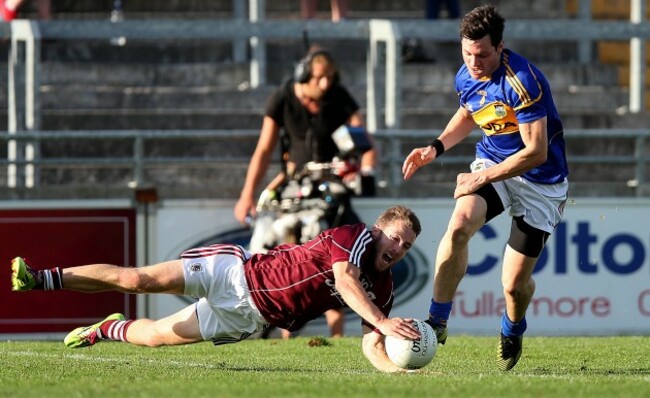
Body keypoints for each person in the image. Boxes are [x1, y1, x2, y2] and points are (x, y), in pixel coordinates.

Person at [11, 205, 422, 373]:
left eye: (407, 246)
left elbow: (372, 345)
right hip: (233, 273)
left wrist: (398, 372)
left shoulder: (383, 287)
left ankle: (105, 330)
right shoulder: (354, 236)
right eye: (396, 238)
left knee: (154, 337)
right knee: (136, 280)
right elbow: (346, 279)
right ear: (377, 230)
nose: (399, 249)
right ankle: (41, 276)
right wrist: (384, 322)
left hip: (246, 316)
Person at [402, 4, 569, 371]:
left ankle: (512, 328)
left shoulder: (523, 81)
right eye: (467, 53)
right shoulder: (466, 74)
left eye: (482, 54)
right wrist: (436, 146)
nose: (473, 62)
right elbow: (468, 112)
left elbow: (536, 152)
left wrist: (481, 177)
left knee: (513, 286)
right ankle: (438, 320)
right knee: (460, 222)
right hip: (495, 164)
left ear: (500, 46)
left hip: (540, 182)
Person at [234, 46, 377, 339]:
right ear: (303, 75)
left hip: (332, 190)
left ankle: (337, 337)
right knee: (286, 260)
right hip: (293, 187)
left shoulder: (338, 96)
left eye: (330, 78)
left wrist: (362, 170)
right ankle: (287, 334)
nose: (325, 84)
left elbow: (366, 144)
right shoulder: (282, 98)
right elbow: (263, 149)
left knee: (340, 258)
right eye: (319, 78)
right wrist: (247, 194)